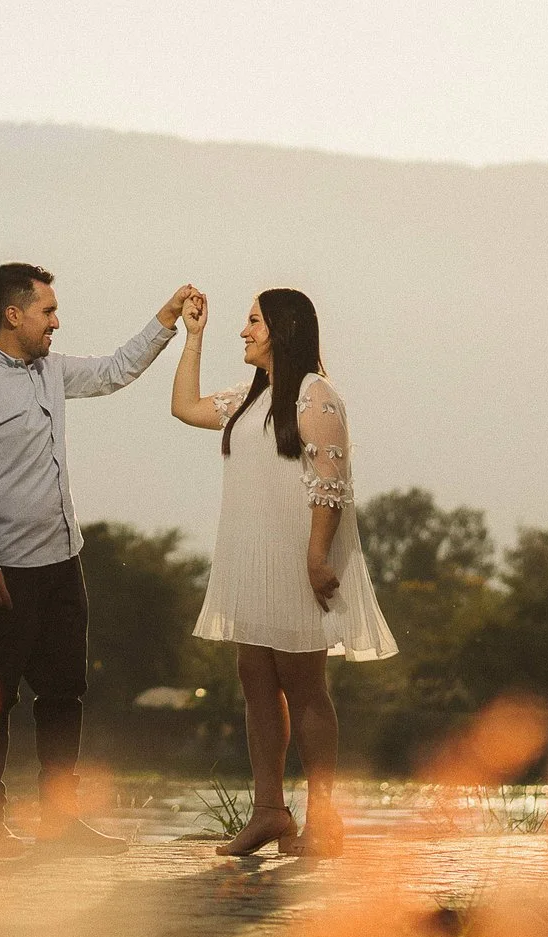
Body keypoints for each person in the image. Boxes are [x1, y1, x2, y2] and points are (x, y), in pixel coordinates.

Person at [0, 262, 197, 852]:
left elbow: (114, 370)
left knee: (63, 695)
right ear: (13, 314)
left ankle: (60, 823)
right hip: (4, 569)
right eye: (47, 312)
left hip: (62, 562)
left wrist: (166, 319)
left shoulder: (50, 370)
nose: (56, 322)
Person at [169, 288, 396, 857]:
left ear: (282, 329)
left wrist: (317, 557)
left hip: (297, 559)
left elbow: (329, 486)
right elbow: (185, 408)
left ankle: (324, 817)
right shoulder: (252, 397)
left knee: (305, 684)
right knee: (256, 682)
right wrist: (192, 337)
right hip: (253, 559)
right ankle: (269, 811)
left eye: (253, 322)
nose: (244, 332)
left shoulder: (315, 395)